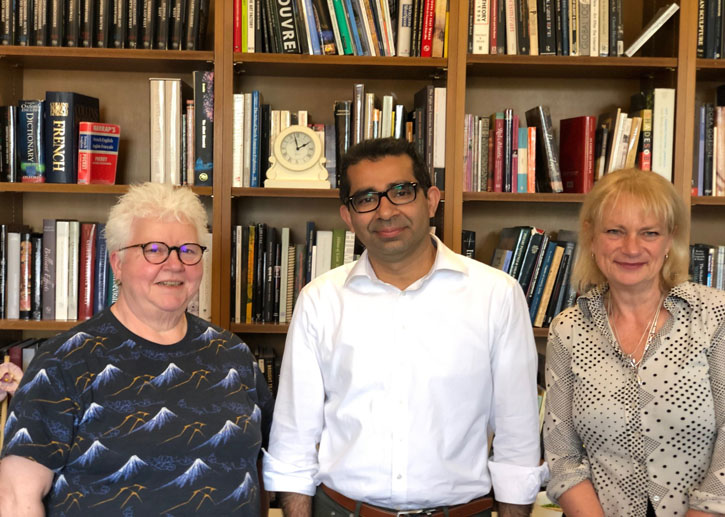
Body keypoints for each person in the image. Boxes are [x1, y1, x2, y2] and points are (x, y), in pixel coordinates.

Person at [263, 138, 547, 517]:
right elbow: (293, 441)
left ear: (431, 199)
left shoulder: (496, 295)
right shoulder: (320, 300)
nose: (385, 211)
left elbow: (518, 440)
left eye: (400, 191)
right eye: (366, 198)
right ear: (348, 217)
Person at [0, 183, 274, 516]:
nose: (174, 264)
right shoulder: (62, 362)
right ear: (117, 263)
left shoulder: (234, 355)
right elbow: (16, 499)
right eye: (154, 249)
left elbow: (262, 467)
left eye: (188, 249)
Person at [543, 168, 725, 516]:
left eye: (649, 233)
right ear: (592, 237)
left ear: (670, 239)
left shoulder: (714, 315)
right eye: (615, 231)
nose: (631, 248)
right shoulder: (567, 330)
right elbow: (563, 456)